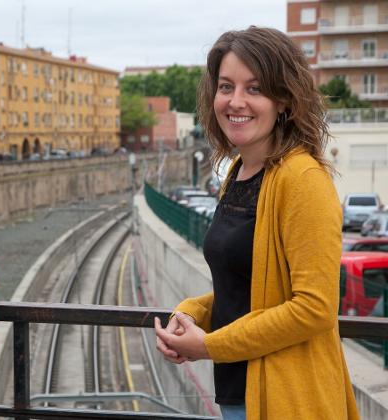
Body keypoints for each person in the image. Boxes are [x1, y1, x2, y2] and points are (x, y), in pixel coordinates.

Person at [154, 27, 359, 420]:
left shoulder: (302, 179)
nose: (236, 101)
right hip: (239, 393)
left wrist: (209, 346)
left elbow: (314, 308)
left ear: (284, 100)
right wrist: (193, 312)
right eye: (226, 86)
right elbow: (250, 290)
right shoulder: (238, 173)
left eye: (255, 89)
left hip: (287, 399)